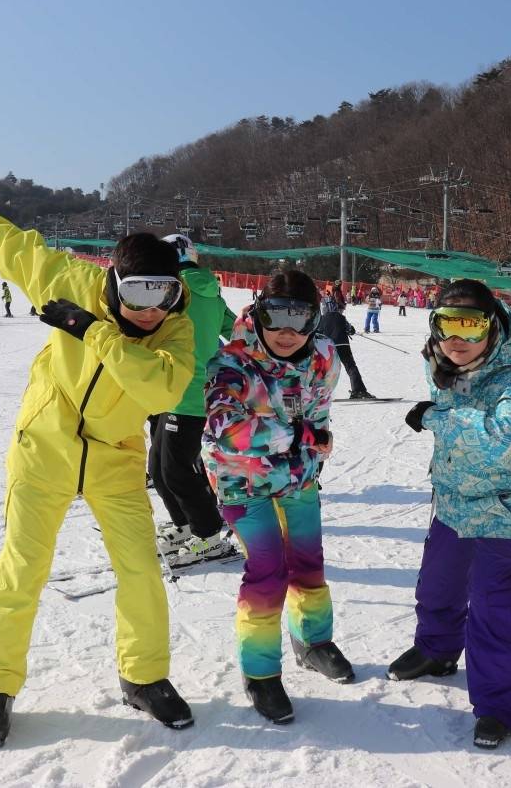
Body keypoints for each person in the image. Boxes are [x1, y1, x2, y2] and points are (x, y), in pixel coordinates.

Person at [0, 179, 198, 745]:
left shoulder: (177, 328)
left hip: (114, 459)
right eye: (137, 295)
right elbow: (5, 242)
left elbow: (163, 389)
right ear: (112, 283)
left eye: (162, 295)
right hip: (44, 447)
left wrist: (92, 333)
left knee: (141, 570)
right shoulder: (69, 282)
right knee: (23, 567)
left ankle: (144, 677)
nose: (149, 311)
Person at [388, 280, 511, 749]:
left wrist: (436, 418)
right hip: (455, 497)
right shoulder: (440, 366)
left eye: (471, 327)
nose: (458, 339)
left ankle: (498, 705)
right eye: (446, 325)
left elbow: (502, 436)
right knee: (437, 584)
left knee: (491, 606)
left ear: (493, 329)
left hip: (504, 503)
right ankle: (437, 650)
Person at [201, 270, 351, 724]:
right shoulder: (231, 362)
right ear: (259, 312)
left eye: (299, 320)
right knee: (268, 572)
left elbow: (319, 409)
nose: (286, 332)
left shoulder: (324, 355)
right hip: (239, 482)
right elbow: (226, 427)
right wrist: (301, 433)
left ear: (313, 321)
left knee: (308, 562)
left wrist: (318, 442)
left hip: (298, 478)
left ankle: (314, 642)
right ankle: (261, 673)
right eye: (276, 317)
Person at [148, 234, 238, 565]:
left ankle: (208, 534)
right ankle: (186, 525)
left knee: (174, 471)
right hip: (178, 392)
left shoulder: (170, 290)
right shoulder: (211, 292)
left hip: (186, 393)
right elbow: (235, 328)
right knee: (159, 469)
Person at [317, 297, 375, 399]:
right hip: (342, 345)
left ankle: (316, 393)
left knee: (323, 370)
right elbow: (350, 330)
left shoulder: (321, 319)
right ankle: (358, 390)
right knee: (350, 367)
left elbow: (317, 333)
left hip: (328, 347)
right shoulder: (341, 317)